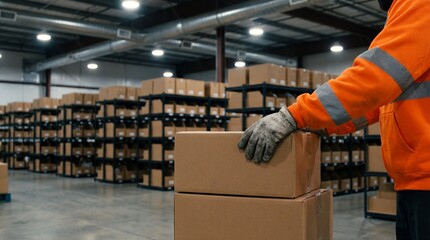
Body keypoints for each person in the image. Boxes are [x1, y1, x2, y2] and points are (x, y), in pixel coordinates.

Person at [238, 0, 430, 239]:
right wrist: (322, 124)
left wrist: (296, 115)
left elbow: (373, 80)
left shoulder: (421, 4)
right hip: (415, 182)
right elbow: (377, 104)